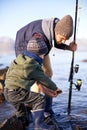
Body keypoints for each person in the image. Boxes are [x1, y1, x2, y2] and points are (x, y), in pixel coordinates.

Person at [15, 15, 77, 118]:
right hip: (24, 44)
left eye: (65, 40)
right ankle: (34, 110)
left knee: (48, 73)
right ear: (57, 33)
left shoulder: (56, 26)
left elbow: (57, 40)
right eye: (63, 39)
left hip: (43, 46)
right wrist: (43, 88)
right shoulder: (39, 37)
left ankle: (48, 110)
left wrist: (68, 47)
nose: (63, 41)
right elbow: (33, 70)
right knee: (34, 78)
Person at [4, 37, 62, 130]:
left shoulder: (19, 60)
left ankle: (23, 123)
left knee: (22, 111)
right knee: (39, 99)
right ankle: (39, 125)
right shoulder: (33, 65)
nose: (44, 57)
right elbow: (45, 79)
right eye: (43, 55)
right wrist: (55, 88)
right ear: (39, 55)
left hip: (7, 91)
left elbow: (10, 74)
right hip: (16, 92)